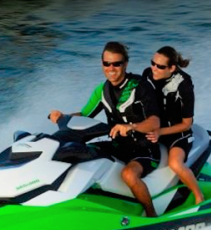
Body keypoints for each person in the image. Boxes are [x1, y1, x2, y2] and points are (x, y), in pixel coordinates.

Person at [50, 42, 162, 217]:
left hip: (144, 147)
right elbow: (85, 115)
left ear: (125, 64)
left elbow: (155, 122)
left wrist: (131, 126)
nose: (111, 68)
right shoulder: (102, 90)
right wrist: (62, 116)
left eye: (116, 64)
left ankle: (152, 216)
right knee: (73, 153)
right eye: (106, 63)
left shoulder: (140, 86)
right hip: (118, 145)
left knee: (129, 175)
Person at [144, 46, 204, 205]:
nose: (154, 68)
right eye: (153, 63)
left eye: (160, 66)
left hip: (177, 134)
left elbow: (186, 124)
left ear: (172, 68)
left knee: (174, 164)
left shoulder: (184, 85)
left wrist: (160, 132)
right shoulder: (148, 75)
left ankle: (199, 197)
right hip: (154, 130)